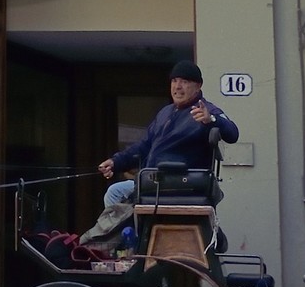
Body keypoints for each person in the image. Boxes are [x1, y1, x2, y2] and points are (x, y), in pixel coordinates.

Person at [79, 60, 238, 245]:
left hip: (179, 184)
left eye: (185, 81)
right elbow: (143, 146)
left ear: (198, 86)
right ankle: (131, 242)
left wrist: (211, 120)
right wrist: (116, 162)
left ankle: (129, 244)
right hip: (152, 181)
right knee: (115, 192)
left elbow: (232, 133)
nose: (177, 87)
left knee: (116, 192)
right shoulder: (165, 112)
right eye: (174, 81)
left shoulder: (207, 110)